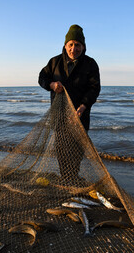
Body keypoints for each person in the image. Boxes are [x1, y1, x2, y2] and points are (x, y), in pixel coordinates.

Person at [38, 24, 101, 179]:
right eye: (71, 45)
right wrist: (51, 85)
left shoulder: (90, 64)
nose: (74, 49)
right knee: (61, 148)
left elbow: (94, 88)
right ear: (65, 45)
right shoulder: (54, 62)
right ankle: (66, 177)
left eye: (77, 45)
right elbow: (42, 77)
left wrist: (83, 106)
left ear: (83, 46)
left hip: (80, 115)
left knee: (77, 150)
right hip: (59, 115)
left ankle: (72, 176)